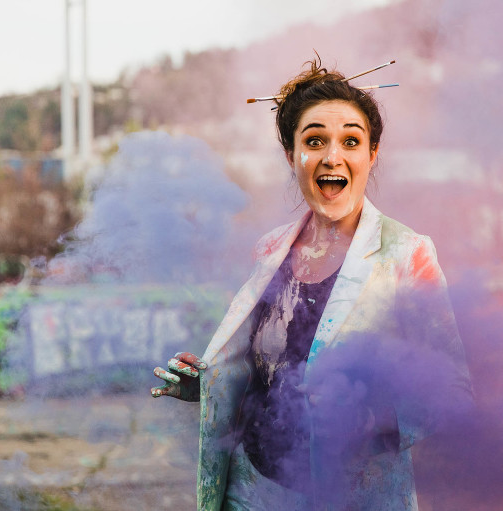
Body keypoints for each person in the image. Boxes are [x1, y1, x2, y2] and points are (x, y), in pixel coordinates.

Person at [152, 57, 473, 511]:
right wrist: (206, 384)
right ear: (292, 155)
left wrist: (368, 419)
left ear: (371, 154)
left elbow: (452, 391)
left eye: (350, 141)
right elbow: (260, 371)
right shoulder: (269, 250)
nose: (332, 156)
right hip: (251, 493)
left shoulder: (407, 254)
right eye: (315, 140)